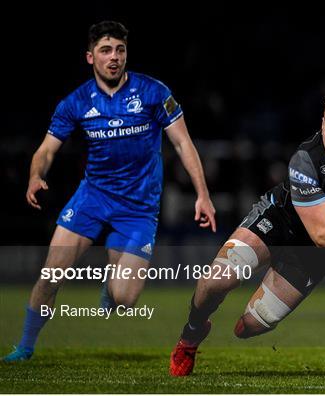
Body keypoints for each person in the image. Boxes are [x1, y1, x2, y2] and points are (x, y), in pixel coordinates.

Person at [3, 21, 216, 362]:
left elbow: (183, 143)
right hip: (92, 199)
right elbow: (45, 150)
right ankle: (25, 347)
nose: (114, 57)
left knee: (125, 299)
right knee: (51, 276)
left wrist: (202, 194)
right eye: (105, 50)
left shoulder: (154, 93)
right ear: (90, 57)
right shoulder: (76, 102)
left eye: (120, 50)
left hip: (138, 209)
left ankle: (111, 289)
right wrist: (34, 176)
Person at [170, 91, 325, 376]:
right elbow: (321, 231)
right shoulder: (306, 158)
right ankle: (191, 334)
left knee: (249, 327)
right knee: (216, 281)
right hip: (279, 220)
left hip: (312, 254)